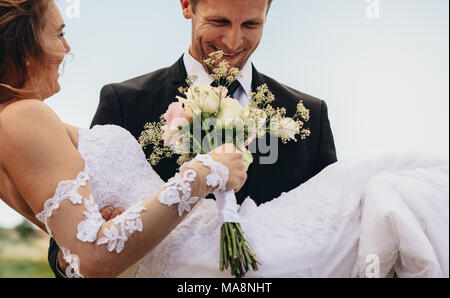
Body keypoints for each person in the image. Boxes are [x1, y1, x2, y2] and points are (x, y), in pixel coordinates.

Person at [0, 0, 247, 278]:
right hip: (207, 263)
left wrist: (112, 228)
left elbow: (81, 250)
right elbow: (92, 259)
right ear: (26, 49)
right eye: (59, 34)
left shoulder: (12, 123)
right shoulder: (23, 115)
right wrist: (205, 173)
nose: (67, 48)